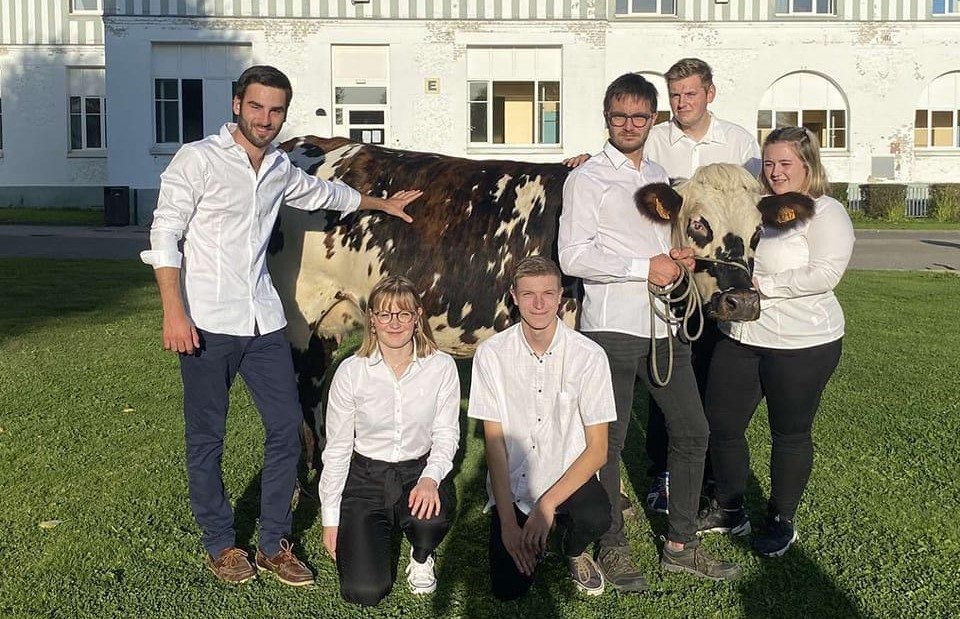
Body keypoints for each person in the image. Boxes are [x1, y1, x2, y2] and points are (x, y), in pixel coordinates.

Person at [139, 64, 422, 585]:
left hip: (263, 321)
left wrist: (380, 202)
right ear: (236, 105)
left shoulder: (279, 169)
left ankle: (272, 541)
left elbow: (325, 195)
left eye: (275, 110)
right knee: (207, 438)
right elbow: (165, 232)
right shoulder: (198, 159)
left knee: (286, 430)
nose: (265, 119)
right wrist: (173, 311)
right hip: (206, 322)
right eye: (256, 107)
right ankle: (221, 543)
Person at [558, 72, 741, 591]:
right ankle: (612, 546)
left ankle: (680, 543)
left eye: (641, 116)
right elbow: (573, 255)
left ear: (653, 119)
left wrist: (676, 258)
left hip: (666, 325)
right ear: (606, 118)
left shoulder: (660, 173)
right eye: (620, 116)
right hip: (612, 326)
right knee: (608, 444)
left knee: (693, 431)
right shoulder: (587, 179)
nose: (630, 124)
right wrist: (646, 266)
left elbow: (660, 245)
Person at [697, 126, 854, 557]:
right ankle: (730, 507)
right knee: (721, 423)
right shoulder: (752, 207)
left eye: (786, 163)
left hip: (803, 341)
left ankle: (781, 520)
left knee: (789, 433)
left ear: (807, 165)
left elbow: (825, 273)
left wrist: (761, 285)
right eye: (769, 163)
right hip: (743, 335)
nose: (775, 172)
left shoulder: (826, 212)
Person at [641, 58, 762, 514]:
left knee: (711, 374)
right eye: (674, 95)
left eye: (690, 94)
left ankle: (709, 470)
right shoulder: (655, 138)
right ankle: (662, 472)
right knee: (664, 371)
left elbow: (755, 200)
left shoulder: (737, 141)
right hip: (672, 280)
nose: (681, 103)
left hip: (719, 281)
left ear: (710, 93)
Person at [468, 256, 616, 600]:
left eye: (547, 294)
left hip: (567, 476)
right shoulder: (491, 354)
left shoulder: (589, 356)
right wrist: (507, 523)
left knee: (596, 517)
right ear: (514, 296)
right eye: (529, 294)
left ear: (561, 296)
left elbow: (598, 450)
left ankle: (570, 547)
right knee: (509, 589)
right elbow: (494, 445)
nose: (538, 304)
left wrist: (546, 505)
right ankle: (532, 533)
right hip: (516, 486)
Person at [319, 275, 460, 605]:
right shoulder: (351, 372)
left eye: (403, 314)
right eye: (384, 314)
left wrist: (430, 478)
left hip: (417, 473)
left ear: (417, 317)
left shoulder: (441, 367)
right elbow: (338, 448)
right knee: (364, 591)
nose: (394, 323)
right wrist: (331, 517)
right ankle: (376, 527)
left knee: (431, 521)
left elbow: (446, 434)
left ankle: (421, 555)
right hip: (366, 477)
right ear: (372, 320)